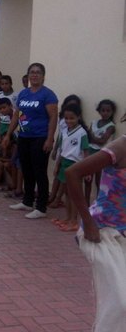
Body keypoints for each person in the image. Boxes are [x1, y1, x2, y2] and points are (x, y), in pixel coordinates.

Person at [65, 132, 126, 332]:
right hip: (101, 231)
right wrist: (87, 221)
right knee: (119, 301)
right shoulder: (120, 147)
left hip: (123, 233)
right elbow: (72, 173)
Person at [3, 63, 58, 219]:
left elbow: (54, 117)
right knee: (26, 170)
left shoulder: (48, 95)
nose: (35, 75)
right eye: (32, 72)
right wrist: (8, 135)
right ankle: (27, 201)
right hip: (24, 137)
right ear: (28, 75)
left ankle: (41, 207)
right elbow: (16, 115)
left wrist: (50, 138)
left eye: (38, 72)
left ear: (43, 76)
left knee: (39, 171)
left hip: (40, 138)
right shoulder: (23, 94)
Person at [51, 103, 90, 232]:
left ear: (78, 117)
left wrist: (87, 170)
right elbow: (62, 150)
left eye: (72, 118)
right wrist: (57, 166)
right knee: (67, 193)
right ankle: (68, 218)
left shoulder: (82, 133)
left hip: (76, 166)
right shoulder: (63, 132)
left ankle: (74, 221)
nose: (69, 121)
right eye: (66, 118)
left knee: (74, 194)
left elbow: (85, 152)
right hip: (64, 164)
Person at [85, 99, 116, 201]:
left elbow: (102, 141)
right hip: (89, 153)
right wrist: (94, 138)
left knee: (99, 181)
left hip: (101, 154)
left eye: (108, 111)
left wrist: (92, 137)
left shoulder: (111, 126)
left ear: (112, 112)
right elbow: (88, 137)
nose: (105, 113)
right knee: (88, 179)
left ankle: (98, 203)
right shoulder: (94, 122)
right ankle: (86, 204)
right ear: (99, 111)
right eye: (103, 110)